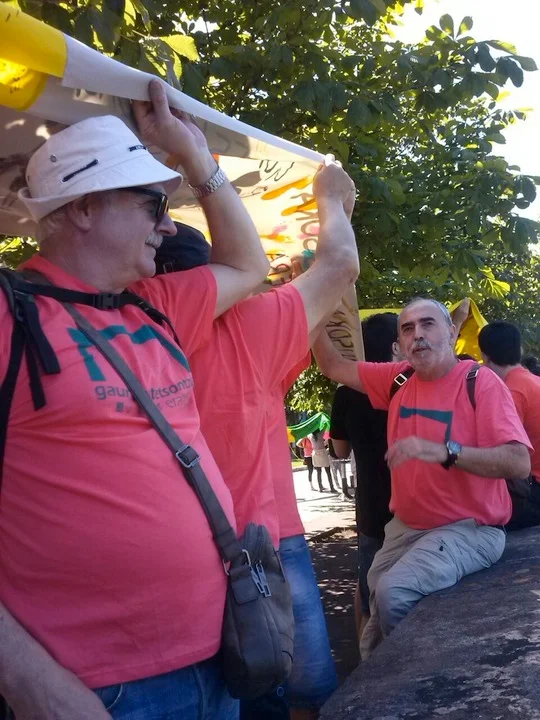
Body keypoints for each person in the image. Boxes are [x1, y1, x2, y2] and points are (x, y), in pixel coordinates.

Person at [0, 79, 271, 720]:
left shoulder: (155, 306)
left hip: (220, 660)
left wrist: (195, 157)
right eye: (154, 205)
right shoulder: (10, 318)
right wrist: (31, 683)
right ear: (84, 207)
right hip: (95, 692)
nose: (169, 226)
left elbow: (249, 266)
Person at [155, 159, 357, 718]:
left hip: (173, 551)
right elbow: (339, 267)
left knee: (215, 693)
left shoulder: (124, 322)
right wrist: (332, 201)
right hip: (267, 538)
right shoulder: (252, 325)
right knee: (304, 688)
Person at [313, 297, 532, 659]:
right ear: (399, 344)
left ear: (452, 332)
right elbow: (331, 365)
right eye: (408, 328)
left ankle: (427, 671)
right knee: (374, 597)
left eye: (428, 324)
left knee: (393, 593)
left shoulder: (480, 382)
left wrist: (446, 451)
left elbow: (519, 462)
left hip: (469, 530)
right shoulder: (397, 379)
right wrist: (311, 306)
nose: (418, 334)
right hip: (405, 529)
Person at [329, 312, 398, 645]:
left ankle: (365, 663)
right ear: (396, 346)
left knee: (367, 585)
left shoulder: (345, 393)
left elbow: (340, 451)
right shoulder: (410, 384)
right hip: (413, 505)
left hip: (370, 504)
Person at [479, 321, 540, 529]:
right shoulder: (533, 380)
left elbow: (503, 457)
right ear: (518, 350)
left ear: (485, 357)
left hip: (532, 493)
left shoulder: (511, 392)